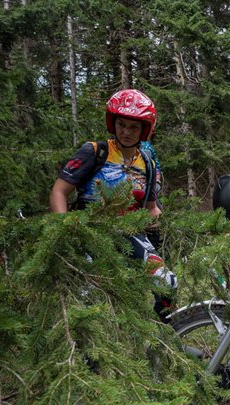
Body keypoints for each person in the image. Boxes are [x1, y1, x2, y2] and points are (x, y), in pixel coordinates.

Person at [49, 89, 176, 321]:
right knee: (91, 296)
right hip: (88, 233)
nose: (126, 132)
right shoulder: (95, 151)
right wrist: (65, 227)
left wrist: (168, 229)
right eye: (121, 124)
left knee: (168, 283)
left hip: (129, 234)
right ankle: (91, 355)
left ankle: (164, 340)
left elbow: (151, 207)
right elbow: (59, 191)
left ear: (144, 129)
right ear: (113, 123)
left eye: (134, 127)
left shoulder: (147, 162)